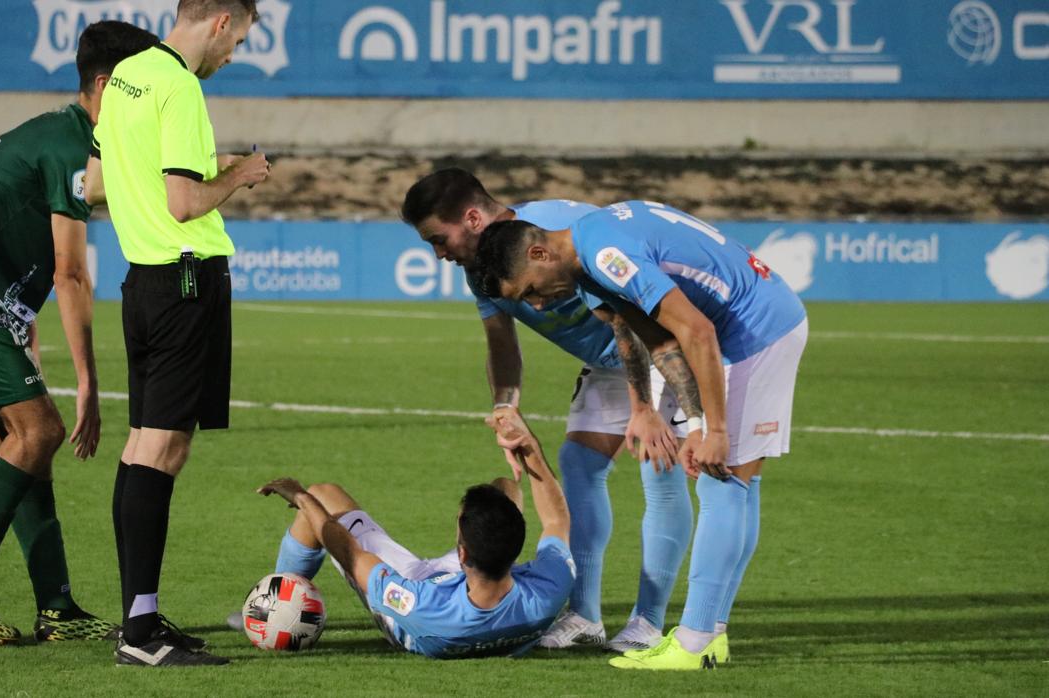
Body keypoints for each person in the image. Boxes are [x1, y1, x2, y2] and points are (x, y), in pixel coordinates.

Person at [0, 21, 160, 645]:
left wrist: (22, 328)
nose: (151, 100)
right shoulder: (73, 148)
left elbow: (15, 244)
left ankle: (57, 607)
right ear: (105, 86)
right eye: (141, 88)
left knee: (29, 443)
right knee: (40, 429)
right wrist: (89, 384)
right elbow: (71, 274)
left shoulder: (61, 136)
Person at [473, 201, 808, 670]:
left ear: (539, 253)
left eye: (531, 290)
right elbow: (656, 341)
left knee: (721, 477)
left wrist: (715, 430)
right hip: (752, 322)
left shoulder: (606, 253)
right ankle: (710, 633)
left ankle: (693, 642)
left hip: (755, 328)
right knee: (736, 483)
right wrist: (682, 421)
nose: (539, 305)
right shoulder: (586, 263)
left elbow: (696, 330)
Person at [399, 169, 701, 651]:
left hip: (655, 343)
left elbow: (628, 310)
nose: (439, 253)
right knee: (579, 464)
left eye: (440, 238)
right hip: (607, 359)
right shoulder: (483, 268)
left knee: (658, 467)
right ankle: (584, 615)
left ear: (472, 218)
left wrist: (644, 406)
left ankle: (647, 622)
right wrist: (504, 406)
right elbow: (501, 341)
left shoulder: (554, 227)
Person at [83, 0, 271, 667]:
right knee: (160, 452)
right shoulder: (179, 86)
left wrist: (183, 171)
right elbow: (185, 203)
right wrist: (238, 174)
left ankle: (140, 615)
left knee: (141, 448)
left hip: (143, 283)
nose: (235, 52)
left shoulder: (128, 76)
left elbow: (96, 184)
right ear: (219, 22)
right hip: (184, 283)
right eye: (240, 38)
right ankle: (140, 636)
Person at [255, 413, 574, 659]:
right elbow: (556, 519)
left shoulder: (417, 605)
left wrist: (300, 497)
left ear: (463, 554)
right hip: (461, 587)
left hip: (418, 594)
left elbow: (350, 554)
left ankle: (275, 614)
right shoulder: (549, 590)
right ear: (517, 552)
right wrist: (528, 447)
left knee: (322, 495)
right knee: (505, 488)